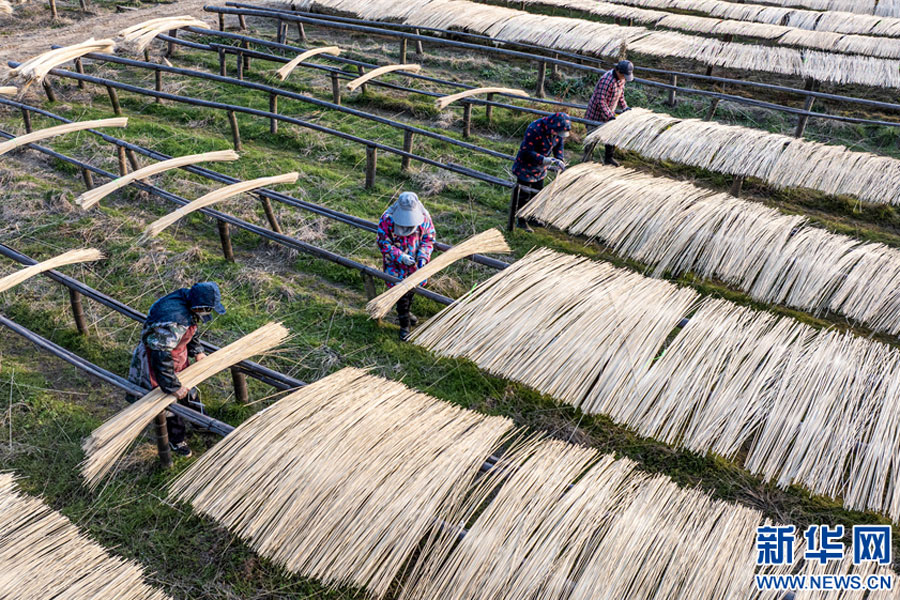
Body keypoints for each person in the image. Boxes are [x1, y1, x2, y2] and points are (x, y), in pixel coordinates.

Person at [126, 281, 226, 458]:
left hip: (177, 355)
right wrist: (172, 386)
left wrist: (197, 351)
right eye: (208, 309)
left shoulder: (189, 300)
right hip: (158, 362)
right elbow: (160, 355)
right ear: (200, 306)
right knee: (169, 404)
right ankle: (176, 439)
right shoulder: (174, 320)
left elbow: (191, 328)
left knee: (189, 391)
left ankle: (200, 422)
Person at [377, 191, 435, 341]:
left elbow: (428, 240)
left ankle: (406, 313)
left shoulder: (424, 218)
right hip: (395, 266)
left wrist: (423, 257)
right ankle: (405, 325)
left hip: (415, 267)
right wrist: (400, 256)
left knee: (410, 292)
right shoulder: (387, 219)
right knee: (400, 294)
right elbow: (383, 242)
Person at [511, 112, 571, 232]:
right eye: (557, 132)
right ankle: (521, 220)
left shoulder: (557, 131)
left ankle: (532, 217)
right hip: (526, 166)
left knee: (537, 193)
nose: (558, 135)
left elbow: (559, 146)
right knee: (524, 194)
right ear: (552, 127)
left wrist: (559, 159)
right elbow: (527, 151)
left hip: (541, 168)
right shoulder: (535, 129)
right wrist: (544, 159)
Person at [585, 59, 634, 167]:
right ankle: (586, 160)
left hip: (608, 113)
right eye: (624, 75)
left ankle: (609, 158)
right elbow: (600, 100)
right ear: (618, 71)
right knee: (592, 138)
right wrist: (609, 115)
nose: (624, 78)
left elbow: (620, 95)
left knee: (611, 137)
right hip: (596, 114)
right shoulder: (607, 80)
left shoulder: (621, 79)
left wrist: (625, 107)